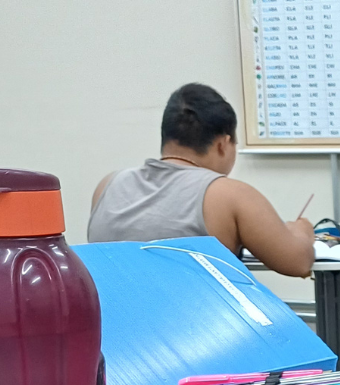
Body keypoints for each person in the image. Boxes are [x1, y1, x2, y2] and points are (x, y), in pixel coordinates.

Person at [87, 83, 314, 276]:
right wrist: (301, 231)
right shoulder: (228, 194)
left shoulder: (108, 185)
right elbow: (298, 263)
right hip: (199, 325)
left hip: (114, 324)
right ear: (223, 144)